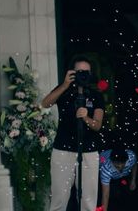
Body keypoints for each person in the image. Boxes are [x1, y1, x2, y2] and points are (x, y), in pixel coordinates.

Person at [41, 56, 104, 211]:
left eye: (86, 72)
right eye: (79, 71)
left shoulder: (95, 95)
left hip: (89, 150)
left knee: (88, 199)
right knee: (59, 198)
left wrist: (86, 118)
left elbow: (97, 125)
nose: (83, 75)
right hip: (63, 149)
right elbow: (45, 104)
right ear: (72, 72)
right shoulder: (64, 90)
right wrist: (64, 85)